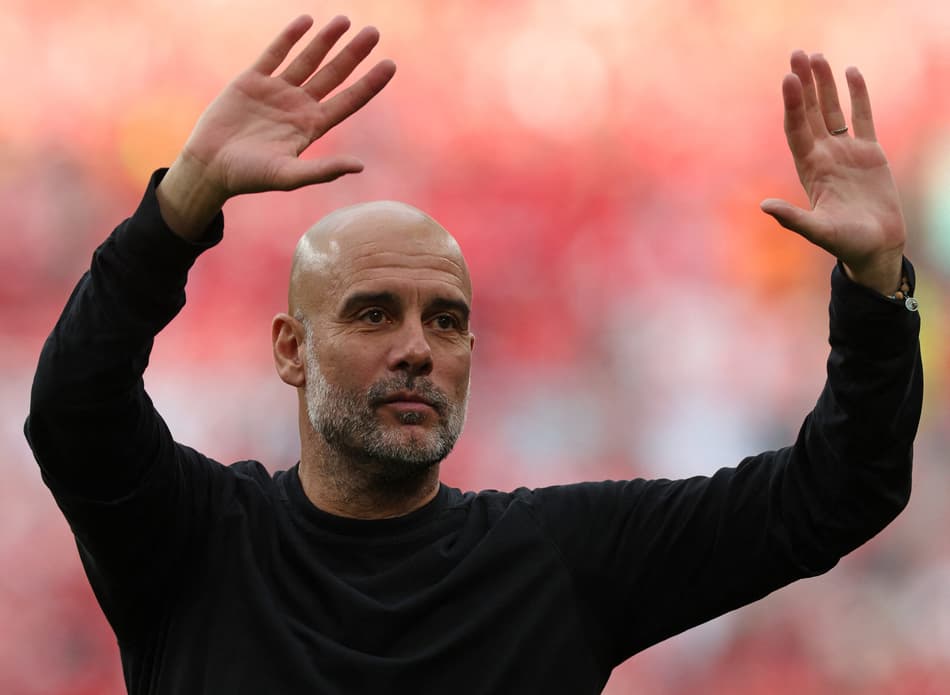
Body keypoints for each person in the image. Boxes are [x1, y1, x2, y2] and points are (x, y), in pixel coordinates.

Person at [25, 14, 922, 695]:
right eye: (375, 314)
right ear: (291, 350)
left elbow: (839, 489)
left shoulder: (557, 558)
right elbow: (73, 407)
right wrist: (179, 207)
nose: (418, 348)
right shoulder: (194, 543)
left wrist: (878, 281)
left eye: (447, 321)